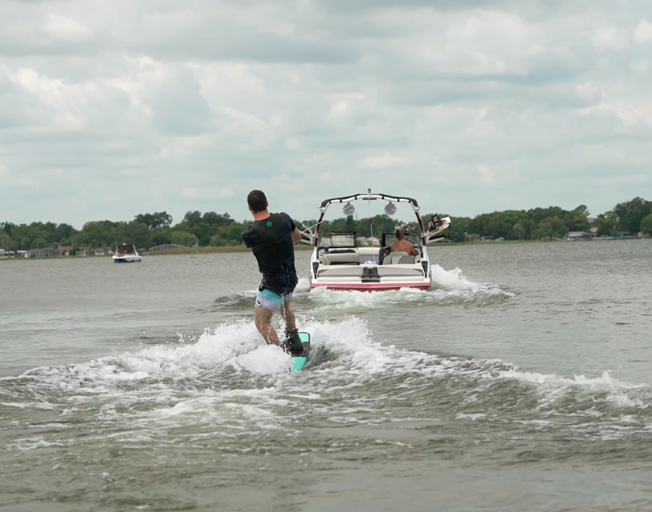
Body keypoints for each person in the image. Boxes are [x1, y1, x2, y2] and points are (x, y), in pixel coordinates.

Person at [241, 190, 304, 355]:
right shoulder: (284, 218)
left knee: (262, 323)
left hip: (273, 282)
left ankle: (278, 356)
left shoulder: (249, 234)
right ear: (267, 203)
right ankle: (295, 342)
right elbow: (297, 237)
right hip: (291, 277)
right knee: (286, 309)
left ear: (250, 208)